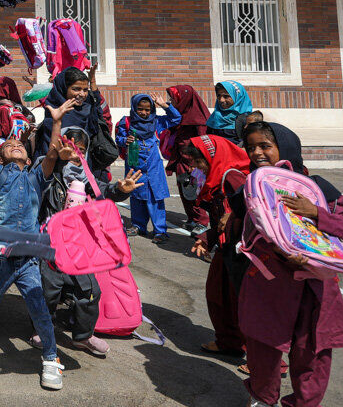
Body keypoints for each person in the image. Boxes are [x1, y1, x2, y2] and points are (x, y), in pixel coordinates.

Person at [232, 121, 343, 407]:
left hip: (315, 287)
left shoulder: (316, 187)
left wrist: (315, 211)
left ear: (286, 147)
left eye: (265, 146)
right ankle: (262, 398)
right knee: (263, 349)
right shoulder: (251, 188)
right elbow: (240, 230)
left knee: (312, 353)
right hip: (268, 284)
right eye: (251, 147)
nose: (257, 153)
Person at [0, 103, 66, 391]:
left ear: (28, 157)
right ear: (0, 158)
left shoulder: (36, 177)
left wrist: (56, 121)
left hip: (27, 259)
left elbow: (52, 153)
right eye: (9, 144)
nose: (15, 144)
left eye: (20, 145)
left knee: (39, 308)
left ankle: (50, 357)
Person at [37, 119, 143, 359]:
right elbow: (42, 177)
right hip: (49, 245)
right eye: (70, 147)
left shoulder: (86, 178)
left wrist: (120, 190)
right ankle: (42, 330)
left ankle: (83, 335)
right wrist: (57, 159)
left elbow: (103, 190)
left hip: (78, 247)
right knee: (48, 292)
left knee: (90, 290)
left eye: (81, 150)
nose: (75, 154)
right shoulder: (47, 171)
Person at [185, 133, 252, 359]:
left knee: (245, 303)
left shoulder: (232, 177)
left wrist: (230, 217)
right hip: (226, 247)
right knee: (218, 295)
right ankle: (229, 343)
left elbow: (249, 210)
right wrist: (206, 238)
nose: (196, 167)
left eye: (199, 161)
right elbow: (219, 220)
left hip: (242, 251)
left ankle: (265, 360)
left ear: (213, 158)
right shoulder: (216, 178)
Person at [116, 92, 181, 243]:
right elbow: (118, 139)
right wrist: (125, 140)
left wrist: (164, 105)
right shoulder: (126, 122)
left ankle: (160, 230)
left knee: (155, 197)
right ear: (134, 108)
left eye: (147, 109)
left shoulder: (157, 122)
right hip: (134, 166)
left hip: (153, 167)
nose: (144, 113)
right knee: (136, 195)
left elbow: (176, 118)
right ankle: (138, 226)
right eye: (140, 109)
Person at [165, 84, 214, 232]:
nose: (172, 102)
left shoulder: (198, 118)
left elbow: (203, 142)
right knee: (185, 191)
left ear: (184, 99)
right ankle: (192, 218)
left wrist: (197, 163)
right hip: (182, 159)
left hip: (194, 162)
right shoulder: (181, 114)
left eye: (174, 99)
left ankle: (201, 221)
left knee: (195, 192)